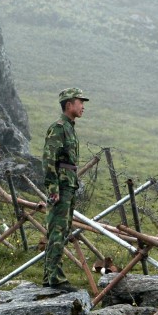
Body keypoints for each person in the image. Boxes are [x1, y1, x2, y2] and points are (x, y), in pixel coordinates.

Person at [41, 87, 89, 290]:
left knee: (63, 230)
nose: (83, 106)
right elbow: (48, 159)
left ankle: (51, 276)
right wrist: (53, 189)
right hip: (60, 185)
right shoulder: (58, 128)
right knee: (57, 231)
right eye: (80, 102)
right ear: (69, 104)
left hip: (68, 184)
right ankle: (54, 279)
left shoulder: (70, 128)